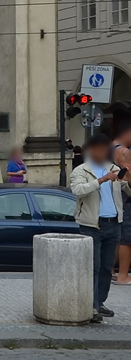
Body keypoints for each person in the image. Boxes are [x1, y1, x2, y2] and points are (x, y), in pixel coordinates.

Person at [70, 131, 129, 322]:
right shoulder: (81, 171)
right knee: (93, 267)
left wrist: (128, 177)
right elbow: (78, 191)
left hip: (114, 223)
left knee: (106, 267)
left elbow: (128, 190)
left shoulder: (113, 167)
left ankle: (100, 302)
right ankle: (91, 306)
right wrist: (101, 180)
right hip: (92, 225)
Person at [112, 121, 131, 285]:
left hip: (116, 195)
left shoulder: (110, 149)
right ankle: (123, 275)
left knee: (118, 237)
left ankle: (111, 271)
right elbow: (129, 172)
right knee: (126, 239)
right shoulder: (123, 151)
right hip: (126, 196)